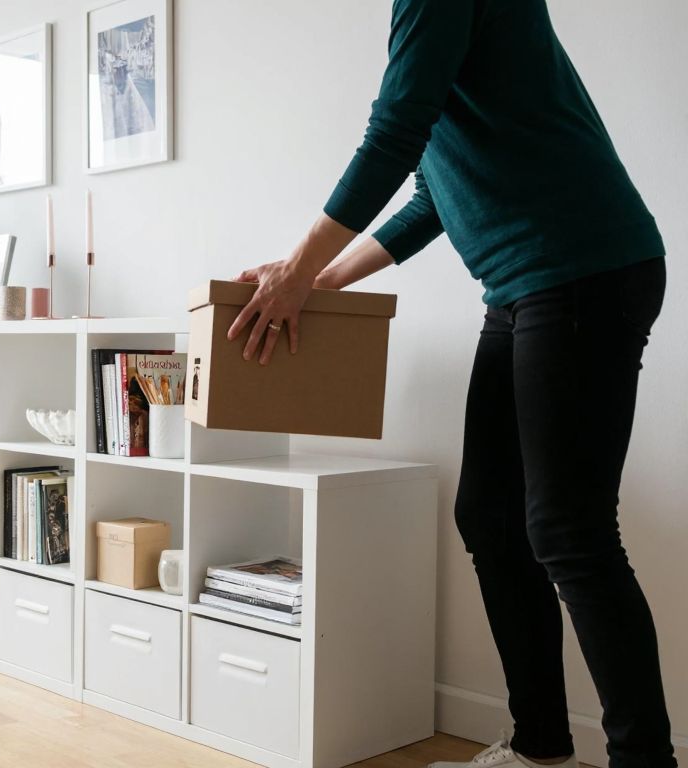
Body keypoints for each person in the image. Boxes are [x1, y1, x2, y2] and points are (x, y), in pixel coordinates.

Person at [227, 3, 673, 768]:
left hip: (579, 268)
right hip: (528, 283)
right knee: (491, 519)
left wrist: (298, 272)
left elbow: (394, 133)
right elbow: (435, 190)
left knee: (571, 532)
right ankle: (540, 748)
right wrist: (324, 279)